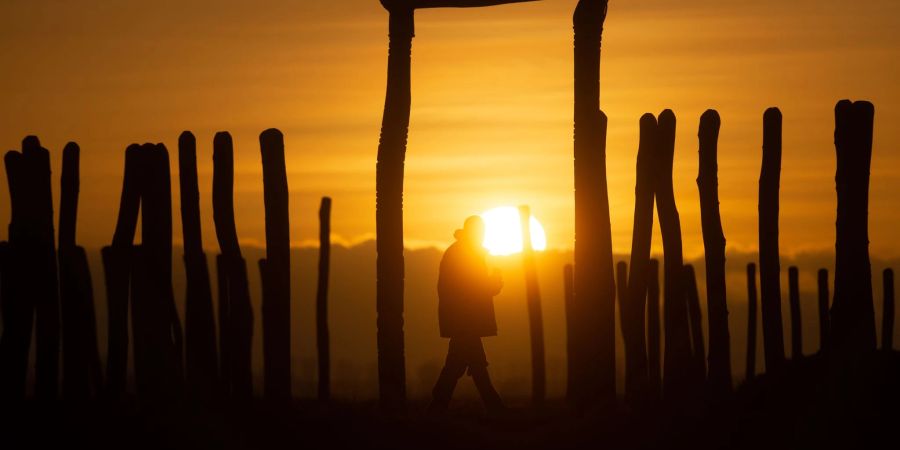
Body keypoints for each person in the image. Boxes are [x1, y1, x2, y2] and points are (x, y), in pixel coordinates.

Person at [428, 215, 506, 414]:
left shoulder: (461, 252)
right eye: (481, 232)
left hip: (462, 318)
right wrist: (495, 281)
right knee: (473, 365)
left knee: (462, 363)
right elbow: (474, 288)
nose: (482, 236)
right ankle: (495, 408)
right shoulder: (465, 255)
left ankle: (438, 404)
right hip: (466, 319)